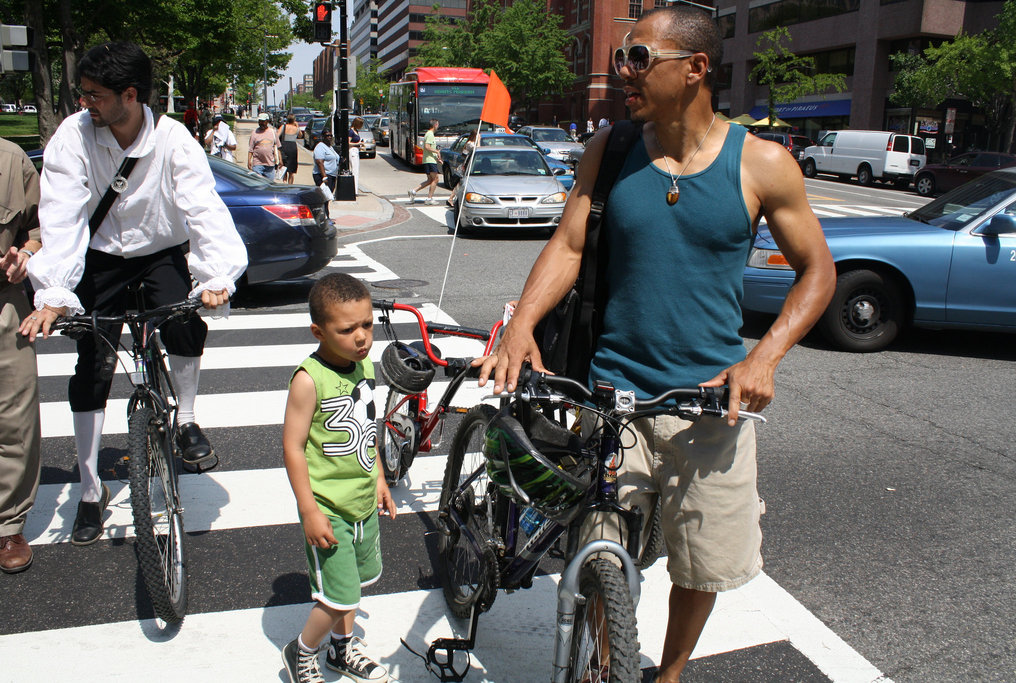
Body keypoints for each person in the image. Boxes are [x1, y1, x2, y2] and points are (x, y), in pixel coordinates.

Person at [473, 7, 834, 682]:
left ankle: (668, 671)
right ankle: (606, 657)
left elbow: (819, 270)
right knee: (599, 550)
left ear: (695, 68)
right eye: (621, 60)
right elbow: (571, 243)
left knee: (703, 560)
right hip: (611, 394)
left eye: (638, 58)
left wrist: (765, 356)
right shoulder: (609, 150)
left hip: (710, 407)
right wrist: (521, 322)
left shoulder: (762, 164)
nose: (623, 74)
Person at [20, 41, 248, 547]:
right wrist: (55, 291)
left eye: (95, 95)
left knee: (186, 319)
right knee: (93, 363)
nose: (86, 104)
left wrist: (215, 277)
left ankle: (186, 417)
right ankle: (88, 489)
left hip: (159, 250)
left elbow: (203, 209)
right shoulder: (73, 137)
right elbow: (61, 216)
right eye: (84, 94)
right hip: (100, 256)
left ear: (130, 95)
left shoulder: (173, 139)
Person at [281, 273, 397, 683]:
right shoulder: (308, 380)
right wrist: (309, 510)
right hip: (328, 507)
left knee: (356, 583)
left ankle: (341, 650)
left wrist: (380, 478)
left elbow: (369, 427)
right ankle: (302, 651)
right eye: (347, 329)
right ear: (319, 331)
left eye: (367, 324)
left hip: (363, 499)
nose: (362, 336)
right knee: (338, 595)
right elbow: (293, 447)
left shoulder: (362, 364)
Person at [0, 134, 42, 574]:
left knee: (13, 423)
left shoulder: (11, 161)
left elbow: (44, 227)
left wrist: (26, 253)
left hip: (2, 305)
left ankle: (7, 524)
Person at [408, 118, 440, 203]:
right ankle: (429, 199)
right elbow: (427, 147)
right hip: (430, 161)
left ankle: (414, 191)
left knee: (430, 180)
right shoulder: (430, 134)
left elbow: (428, 148)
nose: (438, 126)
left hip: (428, 160)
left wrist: (437, 157)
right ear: (435, 125)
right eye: (437, 124)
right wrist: (437, 151)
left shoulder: (429, 134)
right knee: (436, 179)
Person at [249, 112, 281, 179]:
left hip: (270, 165)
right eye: (260, 121)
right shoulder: (254, 133)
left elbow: (278, 147)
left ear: (267, 121)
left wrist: (280, 160)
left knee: (269, 186)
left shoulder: (273, 132)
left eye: (263, 121)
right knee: (258, 185)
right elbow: (251, 149)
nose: (261, 123)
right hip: (257, 164)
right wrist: (249, 160)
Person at [312, 128, 340, 195]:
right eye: (327, 136)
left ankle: (326, 206)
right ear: (323, 137)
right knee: (324, 196)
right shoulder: (320, 147)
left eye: (330, 135)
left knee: (328, 195)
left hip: (332, 175)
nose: (329, 137)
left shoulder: (330, 147)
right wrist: (324, 177)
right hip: (323, 175)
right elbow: (319, 162)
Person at [278, 113, 302, 184]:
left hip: (284, 146)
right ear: (294, 120)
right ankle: (290, 185)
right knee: (291, 171)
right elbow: (300, 136)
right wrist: (297, 126)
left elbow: (277, 136)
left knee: (284, 167)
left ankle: (284, 182)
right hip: (293, 148)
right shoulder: (296, 129)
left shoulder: (283, 127)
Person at [347, 116, 364, 189]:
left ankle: (355, 188)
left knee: (356, 170)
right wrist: (358, 144)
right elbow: (348, 143)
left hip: (356, 150)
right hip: (352, 151)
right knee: (354, 170)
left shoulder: (356, 131)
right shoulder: (351, 132)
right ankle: (354, 189)